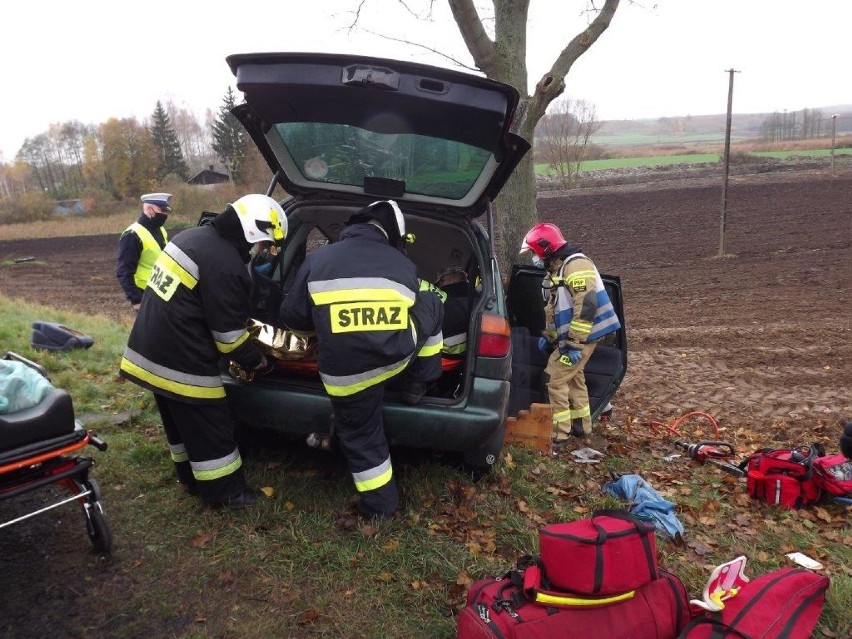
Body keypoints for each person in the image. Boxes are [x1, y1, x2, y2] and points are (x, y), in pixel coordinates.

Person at [119, 194, 288, 508]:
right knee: (211, 425)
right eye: (264, 244)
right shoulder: (224, 262)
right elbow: (229, 338)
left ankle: (189, 478)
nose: (262, 252)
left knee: (179, 423)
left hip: (149, 350)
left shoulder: (193, 237)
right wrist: (260, 362)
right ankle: (227, 493)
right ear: (252, 232)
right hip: (181, 358)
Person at [279, 200, 444, 518]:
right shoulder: (402, 266)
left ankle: (379, 502)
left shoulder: (319, 259)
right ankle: (422, 381)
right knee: (432, 304)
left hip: (344, 375)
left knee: (360, 435)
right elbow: (413, 308)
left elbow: (293, 317)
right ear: (393, 233)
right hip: (393, 361)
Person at [519, 222, 621, 450]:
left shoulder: (576, 265)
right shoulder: (558, 270)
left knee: (553, 378)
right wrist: (552, 336)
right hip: (576, 337)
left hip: (585, 336)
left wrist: (574, 344)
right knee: (574, 378)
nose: (534, 258)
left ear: (546, 248)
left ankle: (559, 435)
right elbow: (555, 309)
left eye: (535, 252)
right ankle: (582, 428)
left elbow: (587, 305)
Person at [116, 193, 172, 312]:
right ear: (150, 210)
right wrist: (136, 300)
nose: (165, 215)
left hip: (162, 293)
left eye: (166, 211)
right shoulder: (132, 235)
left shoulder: (160, 229)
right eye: (162, 210)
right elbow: (123, 272)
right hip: (145, 295)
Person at [433, 265, 473, 359]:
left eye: (442, 279)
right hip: (466, 356)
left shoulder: (440, 301)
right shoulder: (479, 298)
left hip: (443, 356)